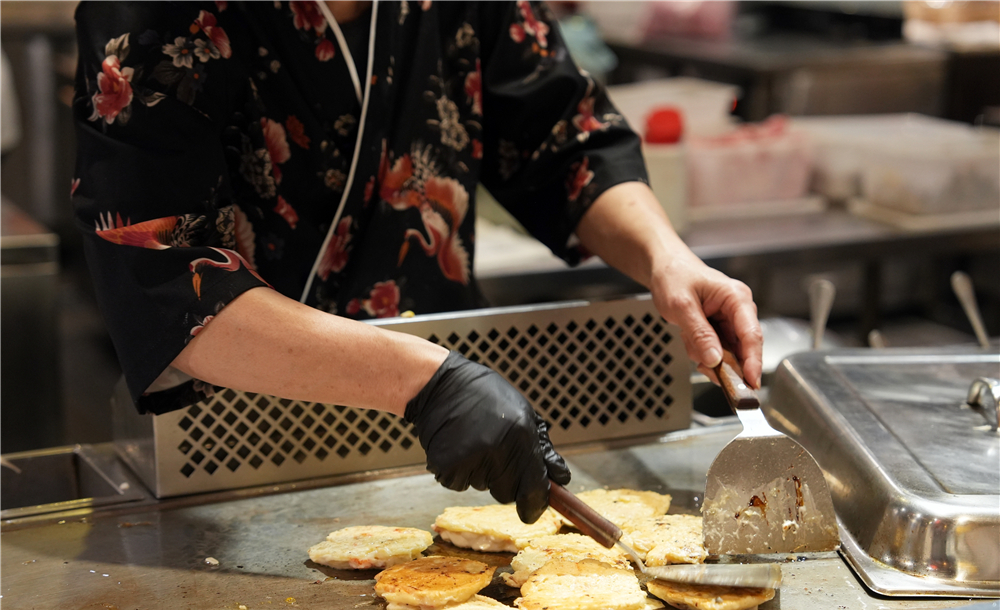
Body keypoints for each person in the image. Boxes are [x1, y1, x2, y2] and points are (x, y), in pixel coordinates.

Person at [72, 0, 762, 523]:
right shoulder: (157, 13)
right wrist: (426, 383)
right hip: (232, 452)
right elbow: (163, 268)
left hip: (463, 434)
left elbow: (563, 143)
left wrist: (666, 258)